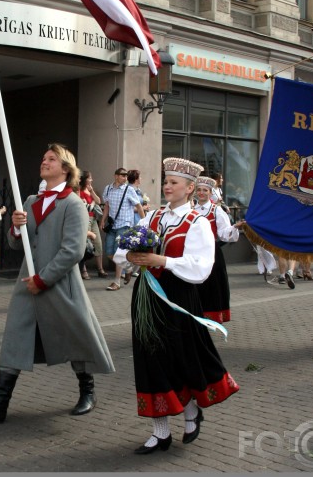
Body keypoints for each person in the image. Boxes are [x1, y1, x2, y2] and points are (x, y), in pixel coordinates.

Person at [0, 144, 115, 423]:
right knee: (15, 337)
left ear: (66, 169)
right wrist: (15, 226)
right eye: (44, 158)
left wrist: (43, 279)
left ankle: (87, 391)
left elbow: (74, 251)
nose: (44, 162)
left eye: (51, 159)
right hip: (27, 284)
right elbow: (15, 243)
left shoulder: (73, 203)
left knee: (75, 337)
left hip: (60, 285)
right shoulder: (32, 200)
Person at [114, 157, 239, 454]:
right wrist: (130, 257)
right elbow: (122, 249)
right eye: (166, 181)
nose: (168, 186)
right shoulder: (153, 217)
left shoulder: (196, 222)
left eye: (174, 183)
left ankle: (192, 410)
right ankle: (160, 432)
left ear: (190, 188)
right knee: (149, 358)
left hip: (179, 298)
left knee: (182, 357)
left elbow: (201, 267)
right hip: (147, 297)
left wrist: (162, 260)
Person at [194, 176, 244, 323]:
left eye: (205, 190)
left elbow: (224, 233)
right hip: (194, 251)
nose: (201, 193)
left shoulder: (216, 210)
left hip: (211, 251)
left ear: (211, 193)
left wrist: (234, 227)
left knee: (212, 284)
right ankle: (195, 314)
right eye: (199, 190)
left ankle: (212, 315)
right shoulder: (191, 210)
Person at [101, 168, 145, 291]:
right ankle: (129, 268)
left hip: (125, 224)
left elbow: (139, 207)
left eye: (126, 176)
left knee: (118, 252)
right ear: (116, 176)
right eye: (122, 175)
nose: (125, 178)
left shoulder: (129, 190)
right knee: (110, 253)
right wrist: (103, 220)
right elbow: (107, 206)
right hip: (112, 224)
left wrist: (145, 223)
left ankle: (116, 282)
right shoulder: (108, 189)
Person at [78, 171, 108, 278]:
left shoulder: (89, 190)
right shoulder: (79, 190)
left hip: (93, 219)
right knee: (86, 244)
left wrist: (92, 192)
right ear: (85, 179)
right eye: (90, 178)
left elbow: (99, 201)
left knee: (98, 243)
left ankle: (100, 269)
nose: (91, 180)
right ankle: (83, 270)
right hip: (84, 218)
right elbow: (85, 206)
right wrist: (93, 203)